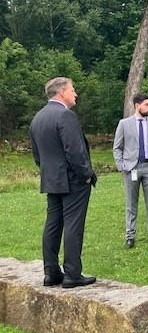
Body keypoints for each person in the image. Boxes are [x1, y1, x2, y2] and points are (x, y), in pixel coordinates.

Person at [29, 77, 97, 288]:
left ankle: (51, 272)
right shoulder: (65, 115)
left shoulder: (38, 118)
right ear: (61, 92)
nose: (75, 94)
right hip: (72, 180)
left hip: (51, 178)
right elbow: (75, 151)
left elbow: (37, 155)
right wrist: (86, 174)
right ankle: (72, 274)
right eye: (72, 90)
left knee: (53, 224)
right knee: (73, 225)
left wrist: (49, 172)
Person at [113, 93, 148, 248]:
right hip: (131, 168)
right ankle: (130, 235)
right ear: (137, 106)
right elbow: (117, 147)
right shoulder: (124, 124)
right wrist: (121, 165)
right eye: (147, 105)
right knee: (131, 203)